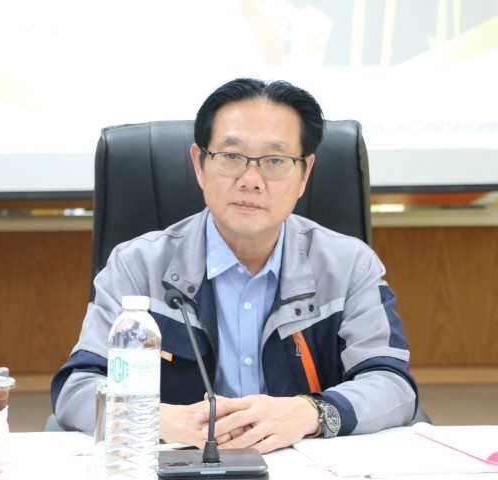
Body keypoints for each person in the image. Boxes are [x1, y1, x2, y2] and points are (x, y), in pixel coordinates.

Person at [51, 77, 418, 454]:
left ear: (304, 174)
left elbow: (391, 382)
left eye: (275, 161)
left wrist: (311, 412)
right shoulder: (137, 266)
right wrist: (157, 420)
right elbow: (77, 389)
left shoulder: (349, 265)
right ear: (199, 164)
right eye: (231, 156)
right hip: (181, 466)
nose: (251, 180)